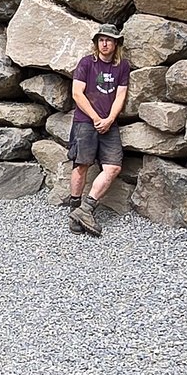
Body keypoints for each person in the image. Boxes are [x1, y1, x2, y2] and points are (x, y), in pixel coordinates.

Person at [61, 25, 131, 236]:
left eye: (109, 40)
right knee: (81, 164)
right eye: (101, 40)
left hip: (109, 124)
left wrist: (109, 119)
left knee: (113, 167)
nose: (105, 43)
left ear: (116, 43)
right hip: (85, 121)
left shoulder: (122, 66)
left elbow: (121, 96)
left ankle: (86, 209)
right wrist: (96, 118)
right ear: (96, 42)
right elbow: (77, 94)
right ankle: (75, 210)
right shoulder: (86, 63)